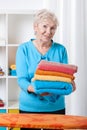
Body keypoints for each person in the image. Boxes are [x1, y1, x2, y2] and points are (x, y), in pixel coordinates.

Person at [16, 9, 69, 130]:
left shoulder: (61, 50)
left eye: (53, 28)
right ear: (35, 27)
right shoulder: (23, 49)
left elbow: (65, 78)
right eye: (44, 26)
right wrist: (37, 89)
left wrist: (69, 85)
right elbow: (22, 80)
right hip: (29, 108)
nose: (48, 32)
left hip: (55, 108)